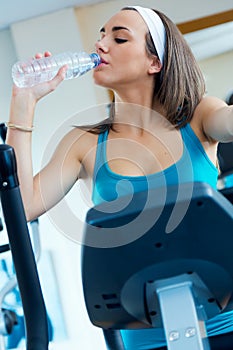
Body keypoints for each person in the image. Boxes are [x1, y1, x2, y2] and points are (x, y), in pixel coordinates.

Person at [6, 5, 233, 350]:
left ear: (154, 62)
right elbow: (21, 208)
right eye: (101, 35)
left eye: (119, 38)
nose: (102, 45)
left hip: (225, 323)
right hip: (145, 340)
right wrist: (23, 104)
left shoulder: (200, 116)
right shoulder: (84, 143)